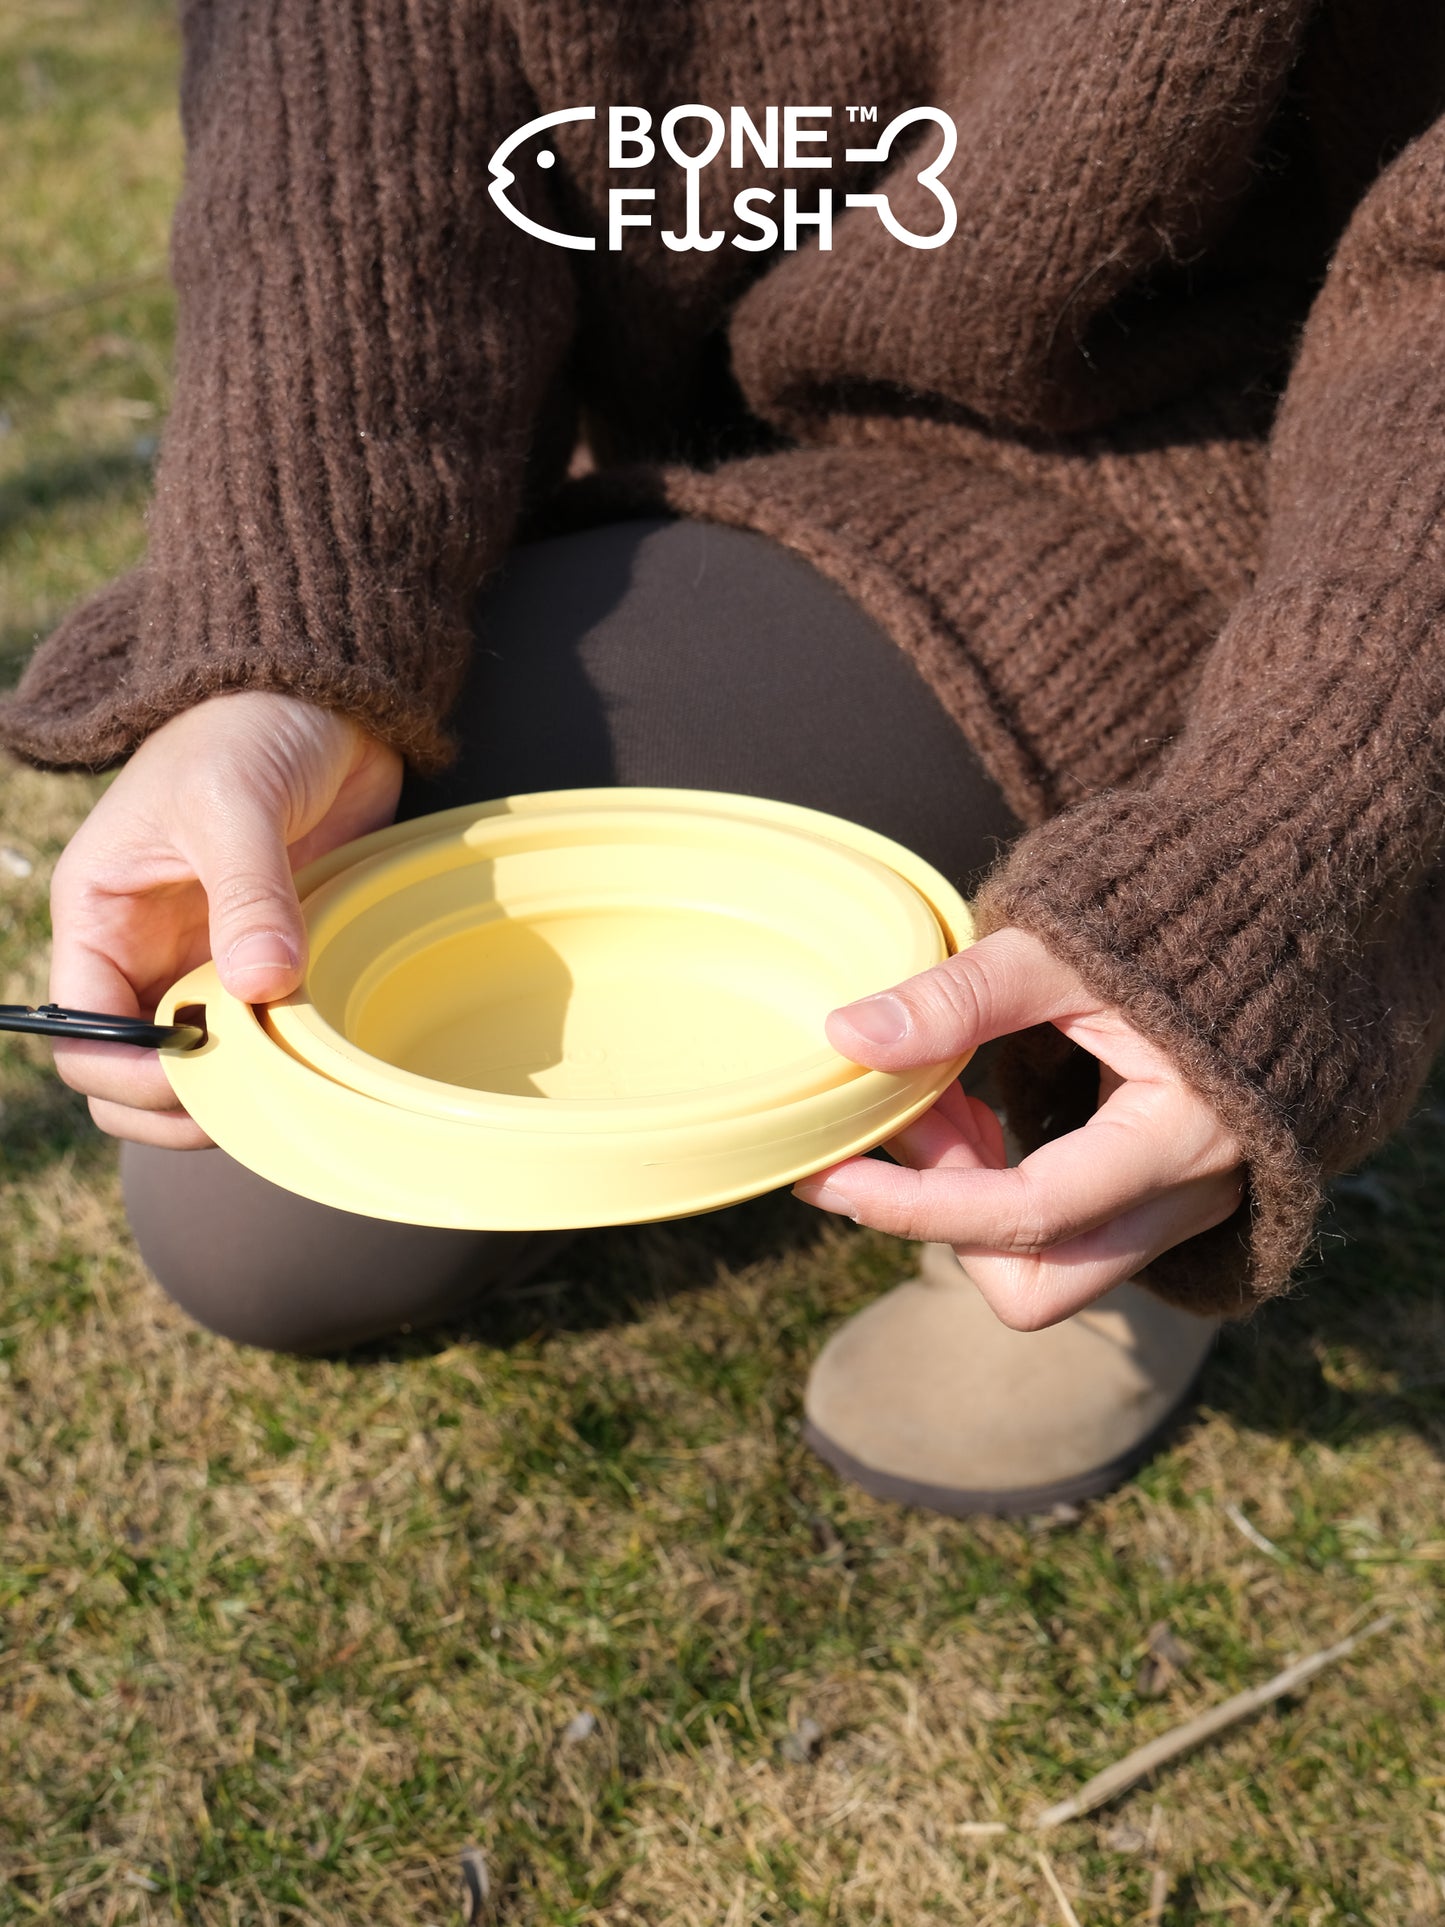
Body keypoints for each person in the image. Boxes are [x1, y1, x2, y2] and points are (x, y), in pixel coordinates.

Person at [5, 0, 1444, 1517]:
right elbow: (359, 133)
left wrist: (1274, 858)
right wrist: (283, 650)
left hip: (1235, 501)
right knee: (269, 1208)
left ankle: (1078, 1108)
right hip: (705, 464)